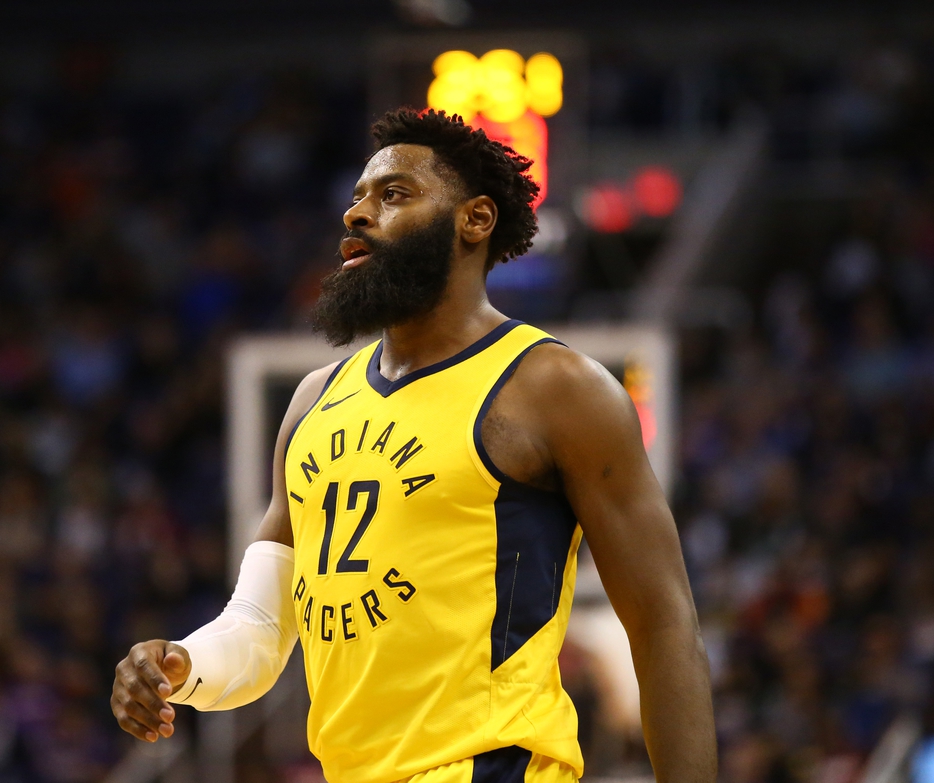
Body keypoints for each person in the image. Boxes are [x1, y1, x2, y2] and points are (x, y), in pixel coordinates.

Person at [110, 109, 717, 783]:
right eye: (357, 198)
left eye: (393, 194)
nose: (358, 215)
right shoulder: (314, 400)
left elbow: (663, 624)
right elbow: (260, 627)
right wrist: (181, 665)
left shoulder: (554, 387)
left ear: (475, 220)